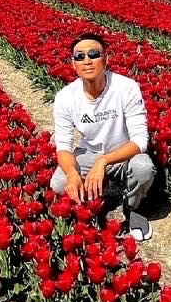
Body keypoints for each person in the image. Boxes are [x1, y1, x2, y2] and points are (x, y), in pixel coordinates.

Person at [50, 32, 156, 241]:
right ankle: (97, 191)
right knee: (60, 183)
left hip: (125, 153)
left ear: (106, 59)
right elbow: (63, 145)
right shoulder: (65, 97)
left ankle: (133, 207)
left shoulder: (126, 87)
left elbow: (140, 140)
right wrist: (72, 173)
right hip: (90, 152)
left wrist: (103, 161)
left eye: (93, 54)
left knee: (143, 168)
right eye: (79, 56)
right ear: (73, 64)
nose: (87, 60)